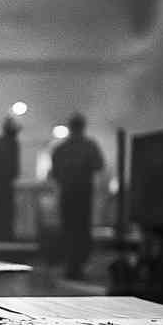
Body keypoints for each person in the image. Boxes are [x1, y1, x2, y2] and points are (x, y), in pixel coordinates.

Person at [51, 112, 104, 279]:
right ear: (83, 127)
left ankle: (70, 265)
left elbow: (54, 173)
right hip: (83, 194)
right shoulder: (90, 146)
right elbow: (99, 165)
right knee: (82, 230)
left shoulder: (60, 148)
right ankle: (78, 265)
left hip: (67, 194)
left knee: (68, 229)